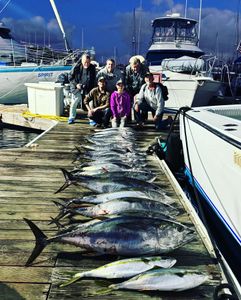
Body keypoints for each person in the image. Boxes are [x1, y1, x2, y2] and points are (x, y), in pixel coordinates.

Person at [68, 53, 96, 124]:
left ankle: (91, 119)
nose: (86, 64)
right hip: (76, 88)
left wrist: (91, 91)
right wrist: (76, 84)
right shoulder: (76, 67)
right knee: (74, 102)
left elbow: (93, 80)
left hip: (87, 89)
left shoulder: (92, 68)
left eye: (88, 62)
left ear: (90, 61)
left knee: (91, 104)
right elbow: (70, 77)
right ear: (82, 61)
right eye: (85, 62)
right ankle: (71, 117)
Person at [125, 56, 149, 121]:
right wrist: (129, 92)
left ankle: (143, 119)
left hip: (141, 89)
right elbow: (126, 81)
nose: (135, 69)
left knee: (142, 102)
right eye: (133, 67)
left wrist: (140, 93)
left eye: (136, 67)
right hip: (131, 89)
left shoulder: (145, 69)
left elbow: (147, 82)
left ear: (139, 65)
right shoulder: (127, 69)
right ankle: (128, 119)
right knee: (128, 101)